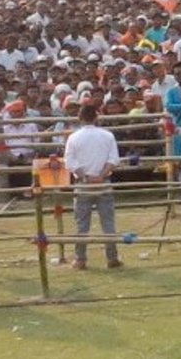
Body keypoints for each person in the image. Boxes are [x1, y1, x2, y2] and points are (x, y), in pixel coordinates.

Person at [63, 98, 123, 269]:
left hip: (83, 183)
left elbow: (70, 162)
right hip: (103, 182)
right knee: (108, 222)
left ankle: (80, 259)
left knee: (81, 223)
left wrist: (85, 177)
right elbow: (113, 159)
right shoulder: (107, 135)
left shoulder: (73, 137)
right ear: (96, 117)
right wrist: (101, 175)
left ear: (79, 118)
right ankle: (112, 257)